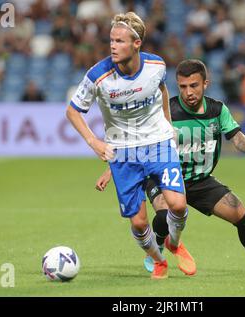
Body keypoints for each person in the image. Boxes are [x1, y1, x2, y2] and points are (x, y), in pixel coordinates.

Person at [96, 59, 245, 273]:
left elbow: (235, 135)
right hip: (163, 175)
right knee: (164, 215)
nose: (188, 92)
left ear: (206, 83)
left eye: (194, 85)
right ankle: (157, 251)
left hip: (199, 180)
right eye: (183, 87)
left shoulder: (217, 110)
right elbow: (135, 142)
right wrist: (111, 170)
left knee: (242, 216)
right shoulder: (165, 111)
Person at [66, 12, 196, 280]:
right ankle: (158, 260)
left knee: (178, 205)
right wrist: (94, 142)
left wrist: (168, 127)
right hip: (122, 151)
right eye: (111, 40)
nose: (113, 46)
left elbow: (160, 90)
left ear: (136, 43)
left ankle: (173, 242)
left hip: (157, 142)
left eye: (120, 41)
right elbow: (73, 111)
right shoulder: (97, 76)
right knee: (138, 222)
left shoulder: (156, 65)